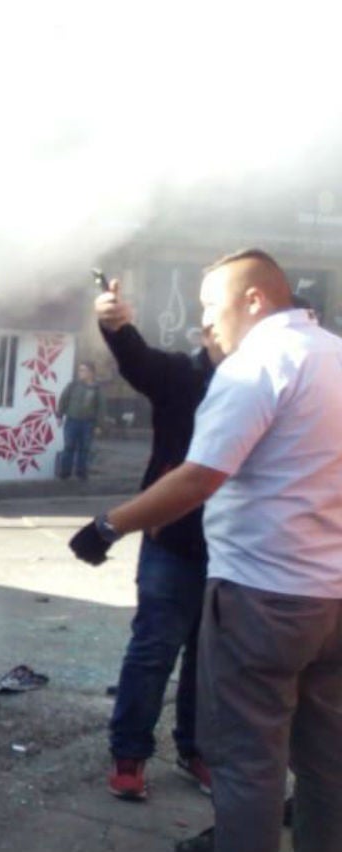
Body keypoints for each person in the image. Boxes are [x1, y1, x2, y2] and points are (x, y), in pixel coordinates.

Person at [70, 249, 342, 852]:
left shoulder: (256, 366)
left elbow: (199, 478)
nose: (205, 322)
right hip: (331, 598)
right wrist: (115, 328)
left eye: (210, 305)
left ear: (254, 299)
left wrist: (108, 527)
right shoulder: (334, 355)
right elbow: (143, 364)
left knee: (249, 762)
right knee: (327, 763)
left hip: (262, 594)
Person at [93, 278, 217, 802]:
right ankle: (129, 754)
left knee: (208, 660)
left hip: (234, 547)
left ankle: (196, 750)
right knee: (153, 649)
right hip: (173, 539)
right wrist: (115, 327)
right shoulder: (182, 375)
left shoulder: (267, 383)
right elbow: (138, 360)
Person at [54, 360, 103, 480]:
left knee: (84, 449)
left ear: (91, 372)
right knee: (69, 447)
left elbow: (101, 407)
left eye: (83, 370)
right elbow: (63, 399)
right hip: (72, 421)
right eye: (79, 370)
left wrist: (99, 425)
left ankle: (81, 474)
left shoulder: (97, 388)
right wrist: (59, 416)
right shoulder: (73, 385)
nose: (80, 373)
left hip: (88, 423)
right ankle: (65, 474)